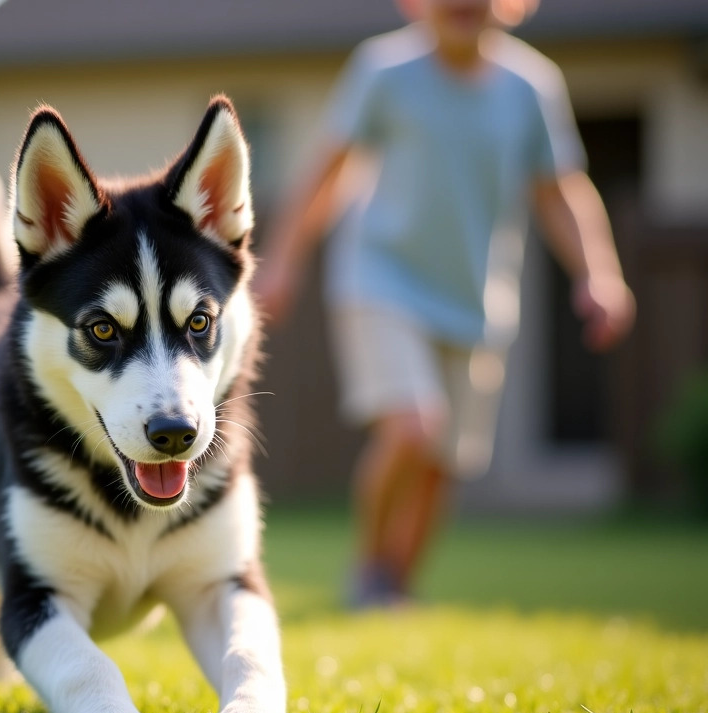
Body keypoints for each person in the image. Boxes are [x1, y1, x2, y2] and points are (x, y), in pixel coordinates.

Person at [256, 0, 635, 606]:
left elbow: (560, 189)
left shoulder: (530, 86)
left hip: (475, 297)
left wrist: (600, 273)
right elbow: (326, 172)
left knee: (442, 464)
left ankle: (395, 589)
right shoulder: (382, 71)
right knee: (414, 426)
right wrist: (283, 262)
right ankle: (368, 573)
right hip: (381, 278)